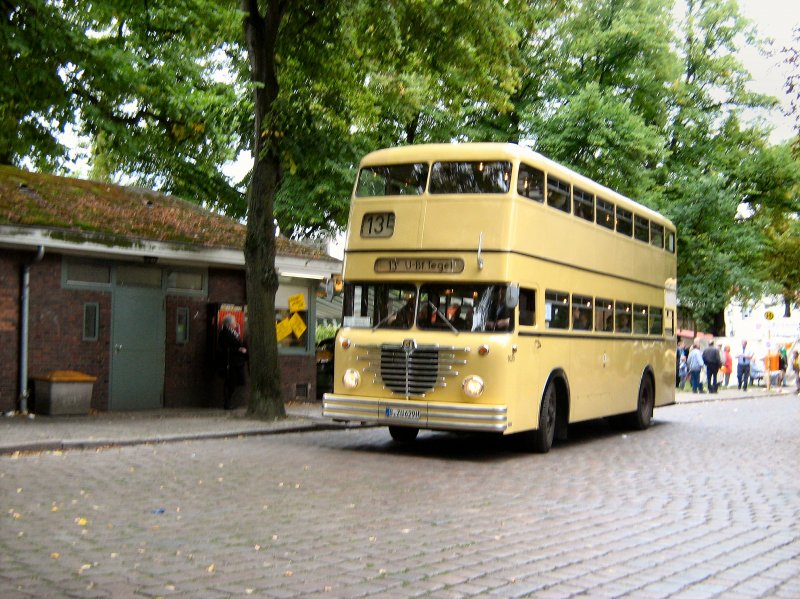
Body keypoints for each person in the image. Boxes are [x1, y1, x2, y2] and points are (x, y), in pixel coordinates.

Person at [218, 315, 247, 410]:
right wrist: (238, 349)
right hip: (230, 362)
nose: (236, 323)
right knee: (230, 382)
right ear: (229, 324)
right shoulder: (224, 333)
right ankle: (227, 403)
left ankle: (228, 401)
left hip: (237, 362)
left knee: (237, 381)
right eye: (234, 321)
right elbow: (225, 348)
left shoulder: (234, 332)